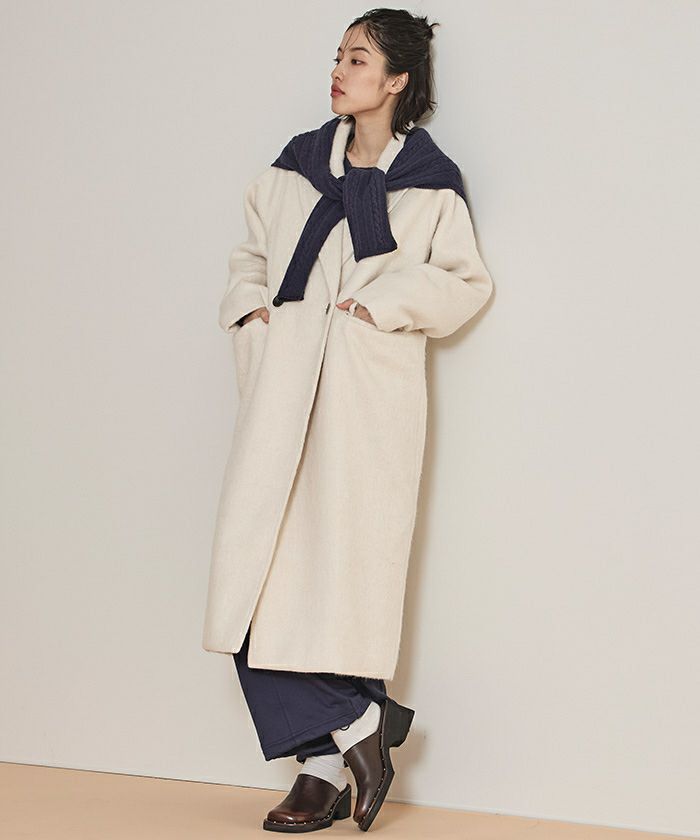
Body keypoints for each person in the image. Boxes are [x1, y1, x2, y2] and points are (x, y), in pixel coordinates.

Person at [202, 7, 494, 833]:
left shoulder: (431, 182)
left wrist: (379, 308)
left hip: (365, 401)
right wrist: (252, 313)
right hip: (282, 390)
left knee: (341, 577)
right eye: (338, 55)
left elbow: (464, 283)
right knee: (253, 581)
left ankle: (320, 769)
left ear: (397, 80)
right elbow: (250, 256)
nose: (338, 70)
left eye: (358, 59)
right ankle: (362, 724)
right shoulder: (294, 166)